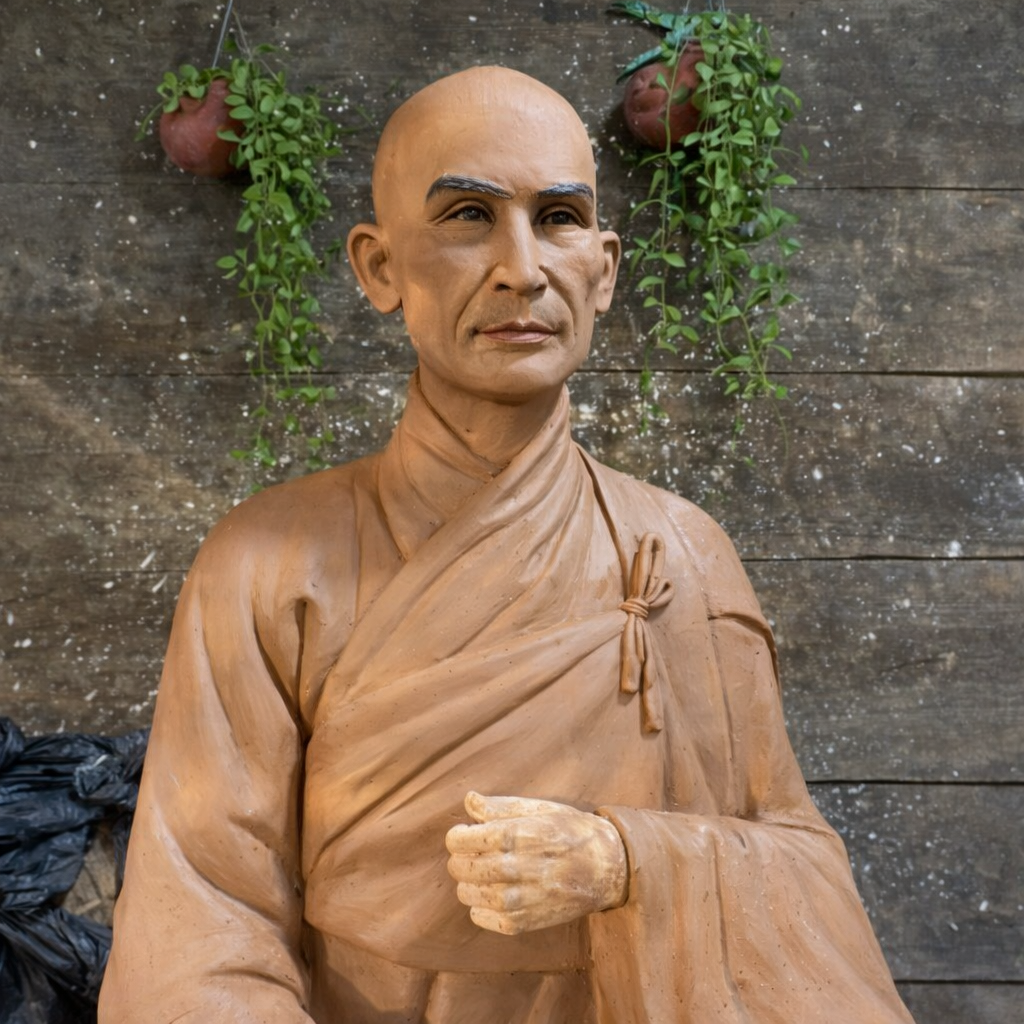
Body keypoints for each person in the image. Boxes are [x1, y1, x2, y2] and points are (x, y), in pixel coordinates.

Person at [99, 67, 914, 1023]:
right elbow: (200, 926)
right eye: (468, 216)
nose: (522, 268)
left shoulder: (683, 556)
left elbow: (799, 865)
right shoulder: (264, 562)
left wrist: (624, 861)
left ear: (604, 270)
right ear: (379, 268)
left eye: (559, 218)